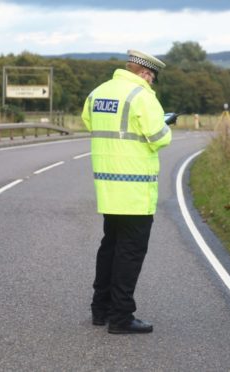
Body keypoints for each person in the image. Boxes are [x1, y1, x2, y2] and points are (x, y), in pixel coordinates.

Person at [81, 49, 172, 334]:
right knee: (129, 254)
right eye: (151, 79)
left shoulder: (97, 93)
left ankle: (101, 309)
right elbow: (159, 139)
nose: (151, 83)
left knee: (110, 247)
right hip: (135, 189)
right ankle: (121, 317)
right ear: (145, 73)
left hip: (108, 187)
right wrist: (166, 125)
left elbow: (89, 123)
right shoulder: (142, 96)